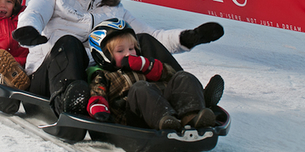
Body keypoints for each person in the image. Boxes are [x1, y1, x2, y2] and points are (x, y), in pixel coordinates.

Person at [11, 0, 224, 117]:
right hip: (48, 77)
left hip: (94, 82)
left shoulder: (114, 9)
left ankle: (188, 95)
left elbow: (153, 36)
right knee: (69, 42)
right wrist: (28, 30)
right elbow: (36, 12)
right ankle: (70, 102)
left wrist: (187, 38)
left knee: (142, 40)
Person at [85, 18, 223, 130]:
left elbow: (170, 75)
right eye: (120, 51)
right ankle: (166, 121)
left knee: (183, 77)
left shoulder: (142, 65)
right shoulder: (103, 75)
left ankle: (192, 116)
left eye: (132, 48)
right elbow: (98, 93)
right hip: (134, 116)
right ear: (103, 55)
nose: (128, 53)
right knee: (141, 88)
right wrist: (99, 108)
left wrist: (146, 66)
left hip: (163, 104)